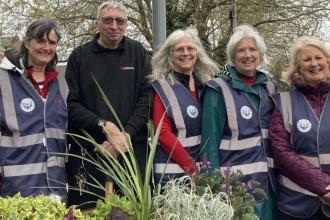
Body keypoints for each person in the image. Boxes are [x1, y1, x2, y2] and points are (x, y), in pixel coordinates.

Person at [65, 1, 151, 209]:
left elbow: (146, 99)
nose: (114, 26)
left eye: (120, 21)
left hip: (130, 153)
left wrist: (124, 136)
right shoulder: (79, 56)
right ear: (97, 24)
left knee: (130, 211)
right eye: (108, 20)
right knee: (87, 211)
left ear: (126, 24)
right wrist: (104, 125)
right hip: (92, 153)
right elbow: (71, 104)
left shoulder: (137, 52)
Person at [201, 24, 277, 220]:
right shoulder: (217, 89)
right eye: (241, 50)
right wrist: (215, 188)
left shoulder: (270, 87)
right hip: (237, 189)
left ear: (260, 55)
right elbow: (209, 144)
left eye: (252, 49)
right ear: (233, 57)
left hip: (272, 185)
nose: (247, 55)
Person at [0, 19, 68, 202]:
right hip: (14, 191)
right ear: (27, 43)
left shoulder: (61, 83)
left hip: (55, 189)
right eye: (40, 40)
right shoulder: (3, 78)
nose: (47, 47)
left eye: (52, 42)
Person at [269, 36, 330, 219]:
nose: (314, 64)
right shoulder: (284, 101)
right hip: (296, 205)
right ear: (297, 67)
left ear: (327, 61)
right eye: (307, 59)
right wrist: (324, 185)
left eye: (318, 58)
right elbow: (281, 152)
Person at [150, 27, 219, 185]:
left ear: (197, 53)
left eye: (190, 48)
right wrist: (192, 168)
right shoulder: (162, 86)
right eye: (179, 49)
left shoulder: (206, 85)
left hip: (204, 171)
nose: (186, 53)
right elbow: (163, 133)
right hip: (173, 174)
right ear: (170, 55)